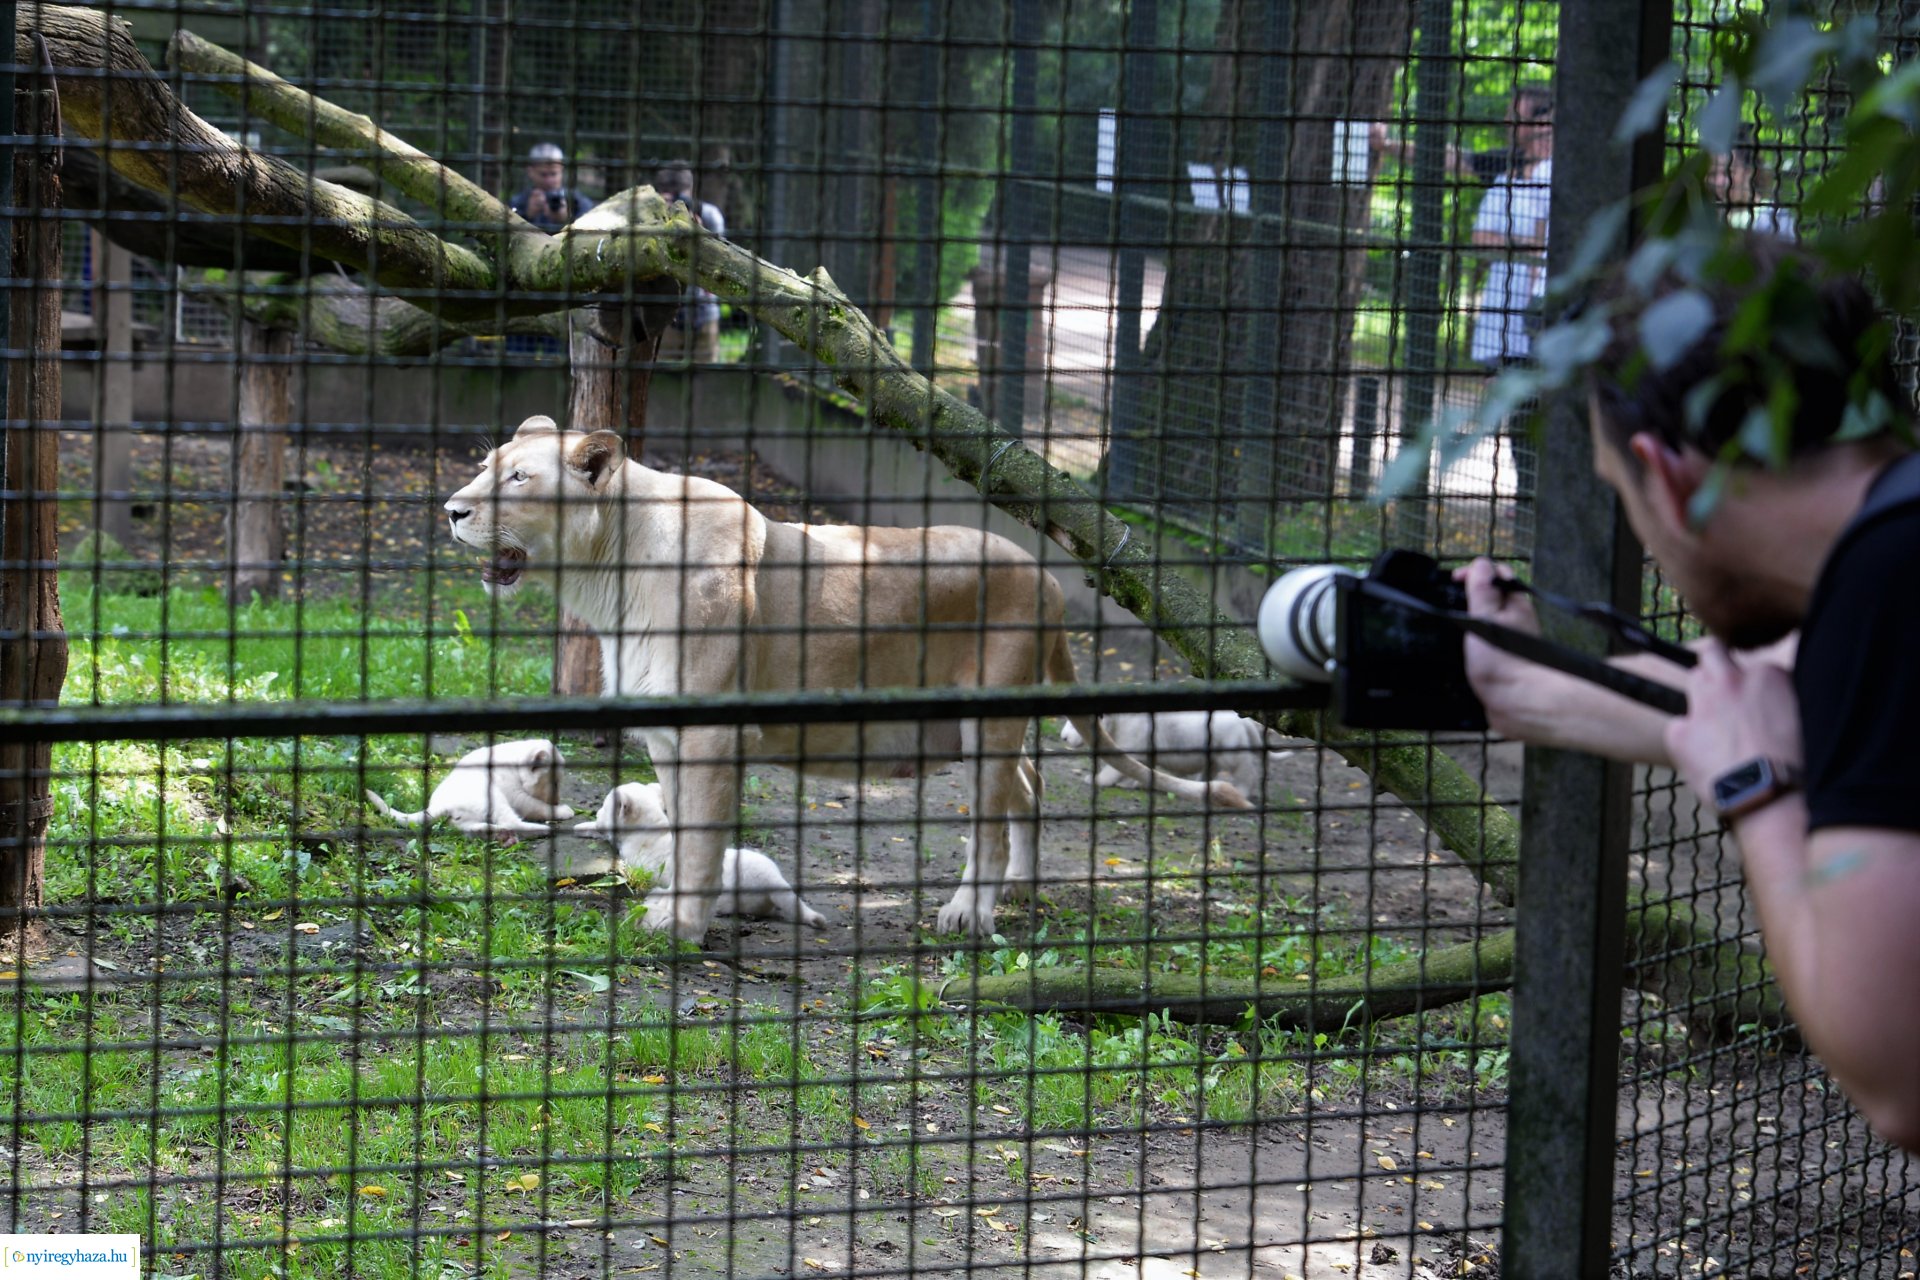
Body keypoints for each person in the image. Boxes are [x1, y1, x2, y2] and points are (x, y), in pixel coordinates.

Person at [1457, 236, 1920, 1153]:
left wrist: (1755, 788)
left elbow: (1901, 1080)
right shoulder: (1890, 545)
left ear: (1663, 478)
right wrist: (1537, 685)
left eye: (1616, 491)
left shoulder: (1888, 585)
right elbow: (1778, 705)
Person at [1469, 89, 1554, 498]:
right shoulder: (1507, 174)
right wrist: (1525, 243)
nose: (1513, 129)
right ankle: (1528, 498)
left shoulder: (1562, 174)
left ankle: (1541, 499)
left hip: (1546, 317)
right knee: (1521, 418)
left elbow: (1545, 246)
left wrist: (1519, 244)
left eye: (1519, 119)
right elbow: (1481, 239)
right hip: (1509, 321)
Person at [653, 159, 727, 364]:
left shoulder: (709, 215)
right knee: (663, 380)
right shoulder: (651, 214)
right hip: (664, 313)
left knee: (705, 379)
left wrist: (699, 234)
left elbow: (720, 263)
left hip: (704, 313)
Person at [1706, 133, 1797, 240]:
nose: (1719, 182)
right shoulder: (1708, 220)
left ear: (1750, 171)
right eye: (1713, 174)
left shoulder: (1776, 217)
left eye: (1727, 173)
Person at [510, 142, 594, 230]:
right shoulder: (518, 202)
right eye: (543, 174)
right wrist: (527, 216)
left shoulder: (577, 201)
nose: (549, 181)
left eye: (553, 174)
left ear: (561, 169)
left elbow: (590, 226)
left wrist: (567, 220)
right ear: (530, 171)